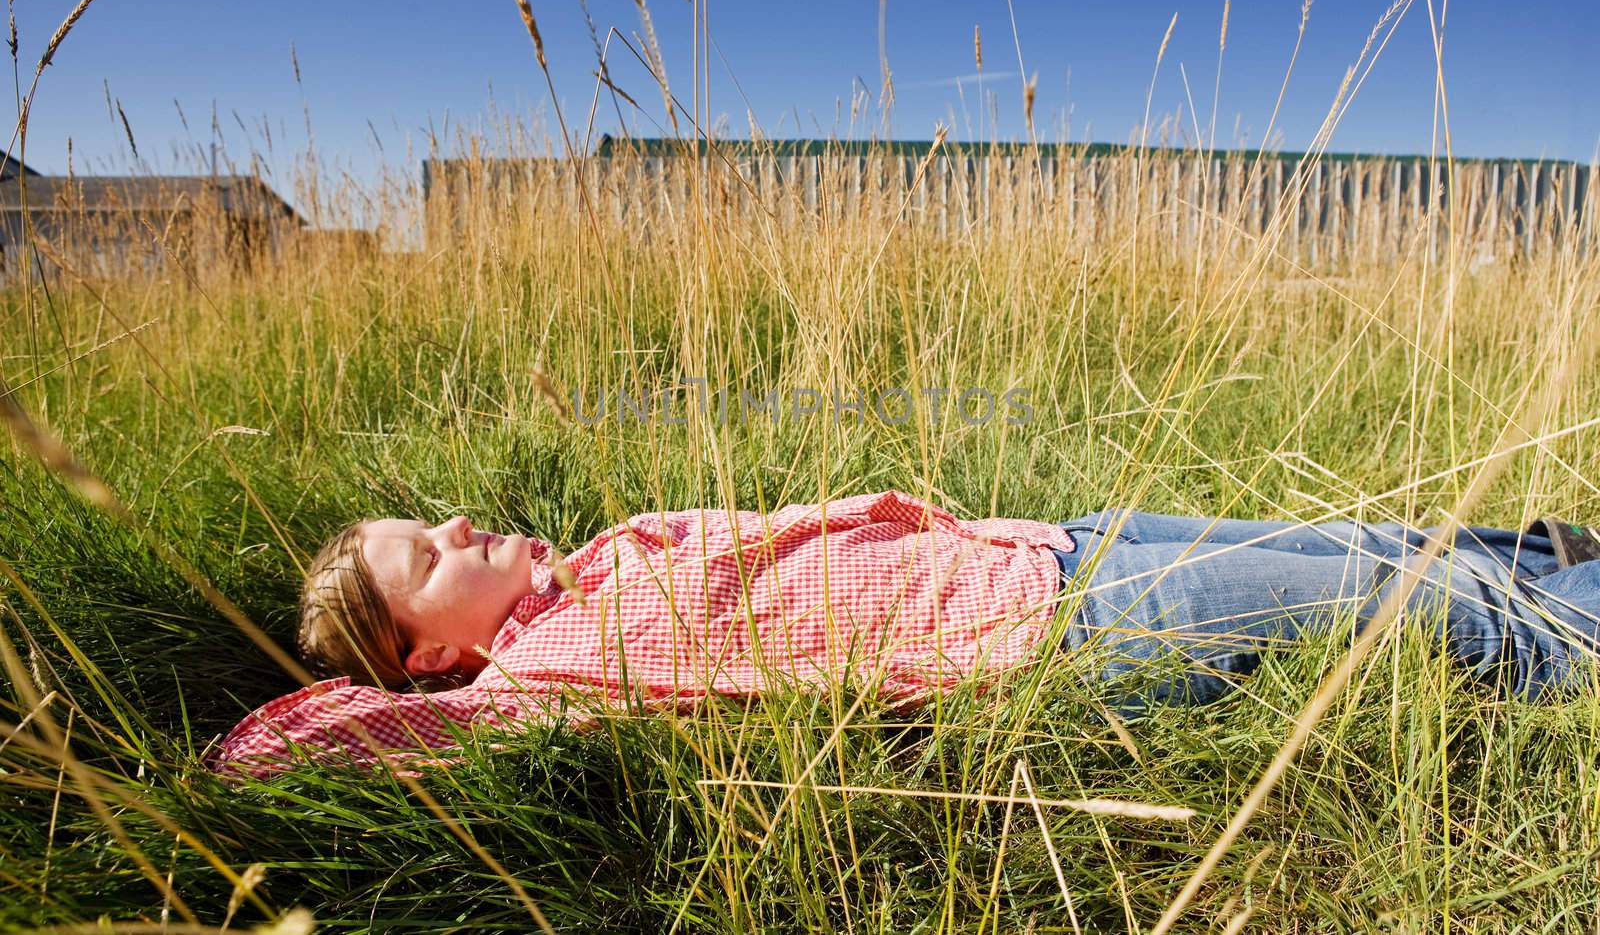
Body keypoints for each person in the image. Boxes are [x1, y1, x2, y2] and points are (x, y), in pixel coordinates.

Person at [206, 490, 1600, 780]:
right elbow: (269, 754)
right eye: (425, 560)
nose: (456, 527)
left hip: (1044, 540)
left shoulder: (593, 569)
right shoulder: (540, 676)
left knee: (1402, 548)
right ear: (436, 656)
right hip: (1071, 625)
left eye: (433, 520)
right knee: (1450, 616)